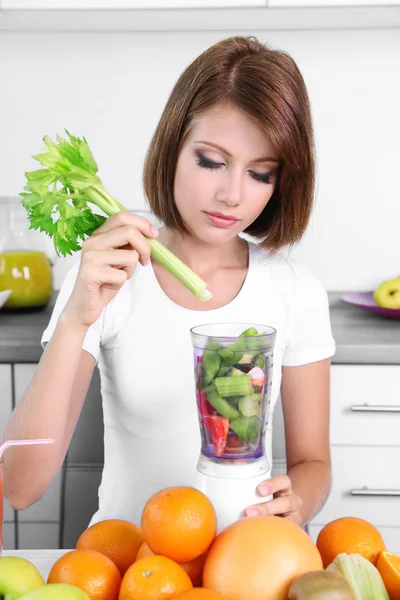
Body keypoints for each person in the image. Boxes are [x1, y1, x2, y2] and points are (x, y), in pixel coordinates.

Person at [3, 35, 335, 530]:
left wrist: (299, 503)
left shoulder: (295, 290)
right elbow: (18, 486)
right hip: (129, 566)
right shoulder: (110, 275)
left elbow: (314, 464)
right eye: (210, 161)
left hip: (245, 563)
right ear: (172, 146)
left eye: (261, 173)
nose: (231, 195)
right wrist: (77, 317)